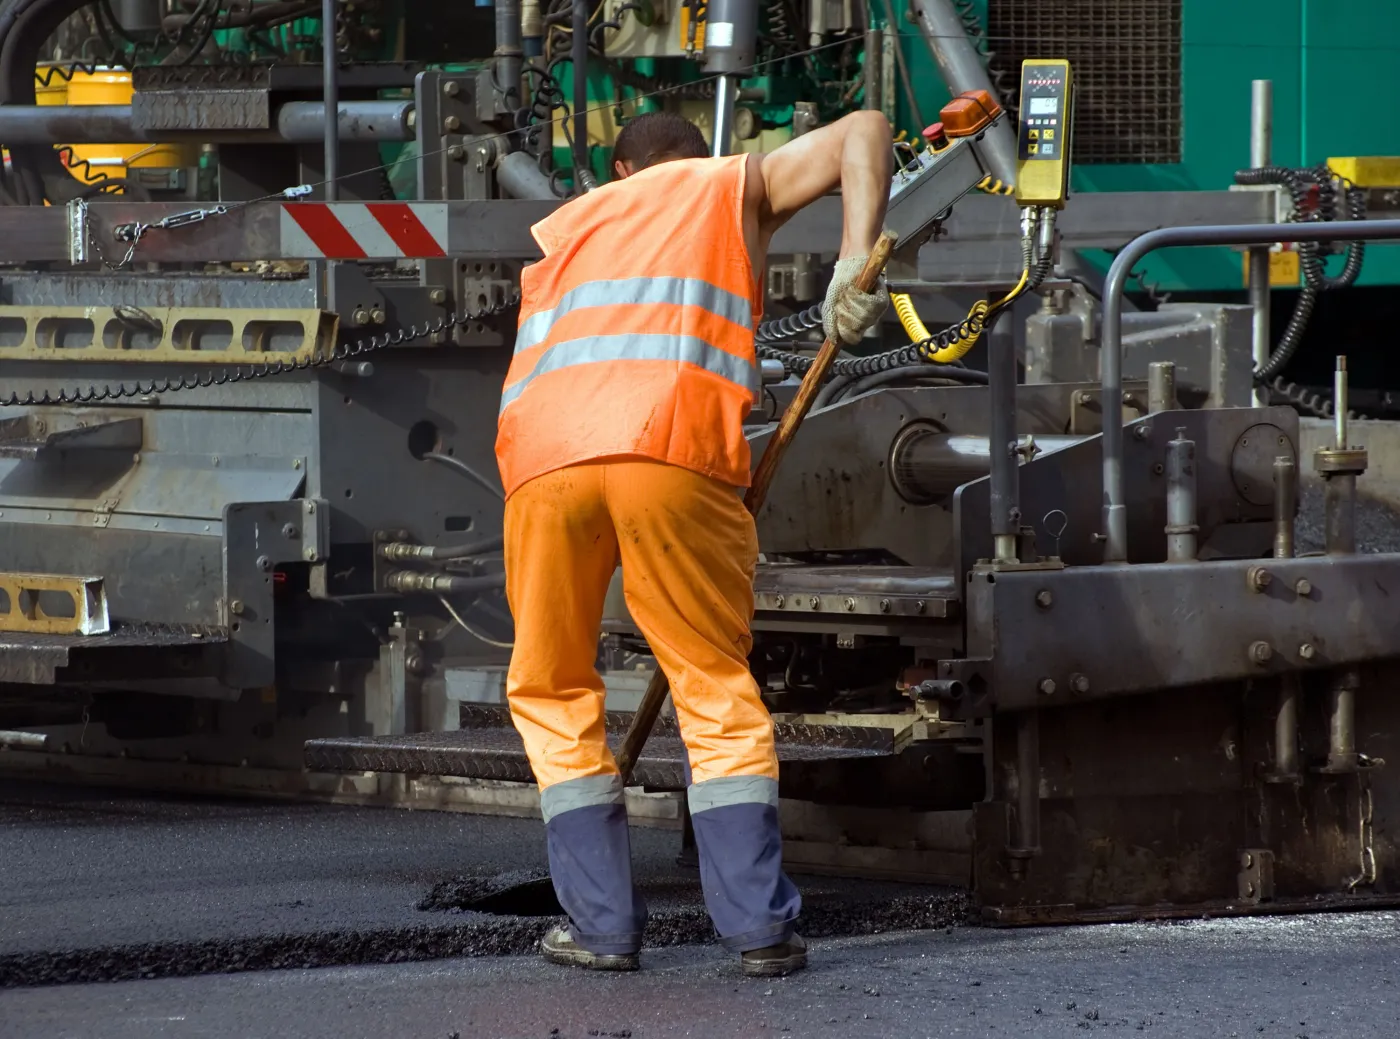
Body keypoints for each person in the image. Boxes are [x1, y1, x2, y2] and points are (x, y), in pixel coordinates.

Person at [495, 109, 892, 977]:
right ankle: (758, 928)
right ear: (694, 157)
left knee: (552, 686)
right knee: (708, 678)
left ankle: (601, 928)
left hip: (541, 462)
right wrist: (855, 259)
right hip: (666, 446)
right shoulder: (719, 185)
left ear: (617, 168)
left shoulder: (570, 224)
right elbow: (865, 129)